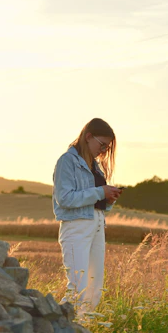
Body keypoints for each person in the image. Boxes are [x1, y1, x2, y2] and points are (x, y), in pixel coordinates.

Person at [52, 118, 122, 316]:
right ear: (88, 136)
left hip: (97, 224)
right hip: (76, 227)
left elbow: (94, 201)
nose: (103, 151)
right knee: (78, 287)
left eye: (107, 148)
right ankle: (58, 332)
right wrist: (101, 192)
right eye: (102, 145)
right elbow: (64, 198)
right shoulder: (67, 161)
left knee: (93, 290)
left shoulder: (94, 166)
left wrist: (108, 198)